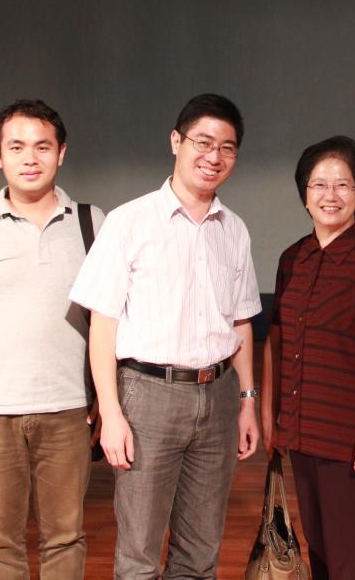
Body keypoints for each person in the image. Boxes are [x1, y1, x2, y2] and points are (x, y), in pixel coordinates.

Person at [69, 94, 261, 579]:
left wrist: (247, 401)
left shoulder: (234, 229)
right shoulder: (129, 221)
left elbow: (241, 322)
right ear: (176, 141)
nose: (214, 156)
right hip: (148, 396)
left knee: (200, 554)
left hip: (218, 396)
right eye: (203, 142)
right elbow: (103, 325)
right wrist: (111, 413)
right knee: (139, 554)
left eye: (227, 148)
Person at [0, 98, 104, 578]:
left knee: (65, 538)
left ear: (61, 152)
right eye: (17, 147)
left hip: (69, 410)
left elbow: (108, 321)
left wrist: (105, 398)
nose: (30, 158)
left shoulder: (92, 223)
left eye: (42, 147)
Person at [260, 135, 355, 580]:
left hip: (350, 440)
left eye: (343, 185)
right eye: (319, 185)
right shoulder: (294, 258)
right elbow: (277, 339)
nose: (330, 195)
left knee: (349, 559)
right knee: (320, 550)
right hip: (301, 433)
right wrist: (271, 416)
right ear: (305, 195)